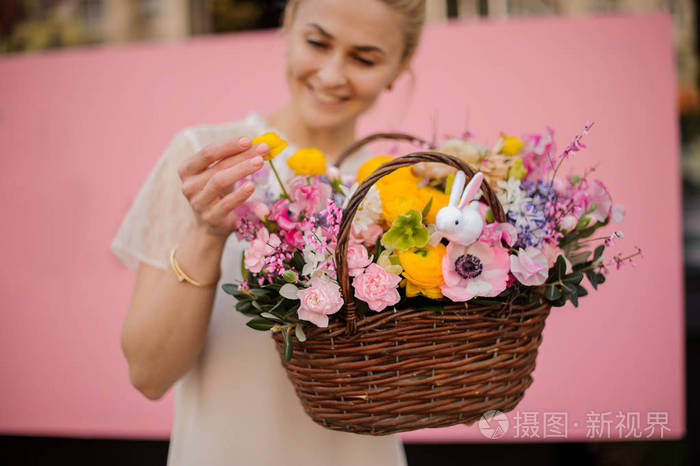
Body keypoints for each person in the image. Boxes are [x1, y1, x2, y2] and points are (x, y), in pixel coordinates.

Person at [110, 0, 426, 464]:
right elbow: (149, 375)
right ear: (287, 28)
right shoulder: (207, 163)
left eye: (365, 58)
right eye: (317, 43)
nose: (333, 74)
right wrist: (207, 233)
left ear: (399, 68)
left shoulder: (406, 190)